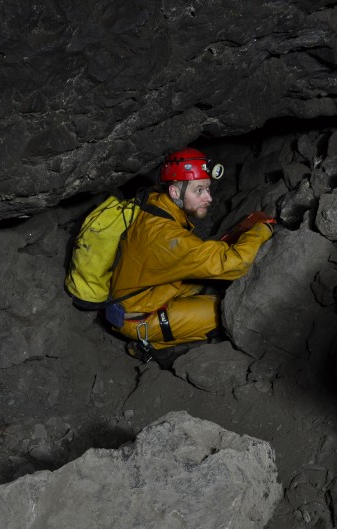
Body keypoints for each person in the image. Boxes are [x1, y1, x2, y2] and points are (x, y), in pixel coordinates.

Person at [109, 147, 275, 366]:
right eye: (199, 191)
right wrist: (262, 229)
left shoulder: (154, 202)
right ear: (175, 193)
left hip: (143, 289)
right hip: (138, 316)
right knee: (224, 312)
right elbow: (236, 264)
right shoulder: (167, 237)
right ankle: (151, 343)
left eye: (207, 189)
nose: (209, 198)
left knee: (202, 282)